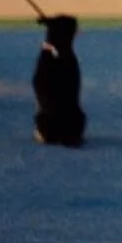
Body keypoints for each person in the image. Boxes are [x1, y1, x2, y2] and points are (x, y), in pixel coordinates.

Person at [32, 13, 86, 146]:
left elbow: (38, 85)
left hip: (49, 127)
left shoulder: (47, 59)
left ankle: (48, 130)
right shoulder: (69, 60)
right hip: (73, 130)